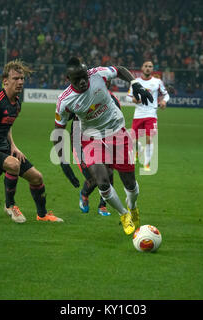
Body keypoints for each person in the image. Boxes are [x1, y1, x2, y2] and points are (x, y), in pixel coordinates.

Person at [53, 57, 153, 235]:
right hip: (91, 139)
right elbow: (59, 130)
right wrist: (62, 161)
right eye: (77, 79)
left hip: (117, 133)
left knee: (130, 183)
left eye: (84, 76)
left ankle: (133, 206)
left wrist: (136, 84)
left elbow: (120, 69)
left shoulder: (97, 74)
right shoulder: (64, 101)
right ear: (68, 80)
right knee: (103, 181)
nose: (84, 81)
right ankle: (124, 215)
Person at [0, 59, 63, 223]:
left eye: (22, 79)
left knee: (37, 177)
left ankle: (42, 215)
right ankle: (10, 206)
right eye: (15, 78)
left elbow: (7, 125)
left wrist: (14, 146)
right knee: (13, 165)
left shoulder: (16, 103)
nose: (20, 82)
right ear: (5, 81)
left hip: (3, 147)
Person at [64, 80, 121, 217]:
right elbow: (66, 116)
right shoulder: (80, 97)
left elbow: (115, 120)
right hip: (81, 141)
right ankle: (84, 194)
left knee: (109, 173)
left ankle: (103, 205)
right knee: (94, 177)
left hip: (104, 139)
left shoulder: (113, 99)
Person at [126, 60, 169, 171]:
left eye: (150, 66)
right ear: (142, 68)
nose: (148, 68)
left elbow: (166, 94)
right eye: (146, 66)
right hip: (138, 114)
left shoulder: (157, 82)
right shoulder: (135, 82)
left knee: (149, 139)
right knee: (132, 140)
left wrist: (164, 101)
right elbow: (128, 97)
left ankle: (147, 163)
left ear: (152, 69)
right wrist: (134, 100)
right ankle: (139, 150)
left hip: (151, 114)